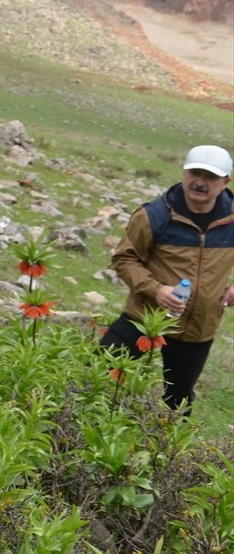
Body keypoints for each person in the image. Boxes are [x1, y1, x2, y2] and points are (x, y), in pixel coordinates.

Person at [101, 145, 234, 411]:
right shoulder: (154, 215)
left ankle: (163, 437)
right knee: (99, 374)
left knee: (178, 402)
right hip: (144, 317)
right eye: (194, 173)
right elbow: (124, 259)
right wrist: (157, 290)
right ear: (184, 173)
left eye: (210, 177)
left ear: (225, 182)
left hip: (197, 329)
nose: (200, 182)